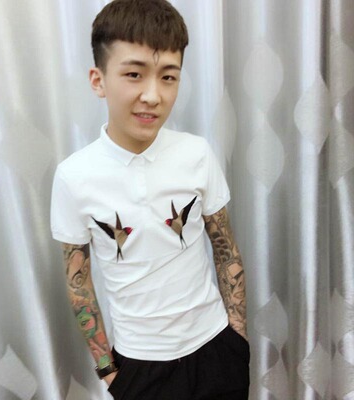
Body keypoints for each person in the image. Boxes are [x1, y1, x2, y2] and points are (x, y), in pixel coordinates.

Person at [50, 0, 250, 399]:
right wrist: (109, 371)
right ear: (98, 80)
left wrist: (237, 336)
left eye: (168, 77)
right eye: (134, 74)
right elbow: (79, 285)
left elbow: (225, 248)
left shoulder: (196, 153)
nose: (153, 95)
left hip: (216, 349)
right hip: (140, 367)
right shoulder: (73, 176)